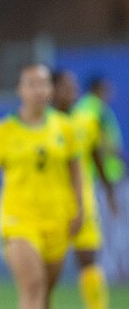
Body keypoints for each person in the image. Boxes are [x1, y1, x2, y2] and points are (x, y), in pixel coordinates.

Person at [0, 64, 84, 309]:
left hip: (56, 219)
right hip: (18, 220)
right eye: (30, 84)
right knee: (33, 285)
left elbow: (76, 172)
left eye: (43, 83)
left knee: (44, 296)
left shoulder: (66, 128)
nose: (37, 90)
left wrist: (80, 208)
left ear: (50, 90)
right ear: (20, 91)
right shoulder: (2, 132)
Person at [53, 70, 117, 309]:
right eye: (66, 87)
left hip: (83, 201)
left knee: (88, 260)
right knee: (47, 273)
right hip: (50, 204)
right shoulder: (42, 125)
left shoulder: (86, 122)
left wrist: (109, 191)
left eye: (75, 87)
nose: (73, 92)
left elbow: (96, 157)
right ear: (52, 90)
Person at [78, 75, 126, 184]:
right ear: (98, 89)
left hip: (93, 172)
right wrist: (122, 159)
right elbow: (100, 141)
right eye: (107, 88)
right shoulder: (97, 109)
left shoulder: (82, 106)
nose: (111, 92)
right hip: (103, 172)